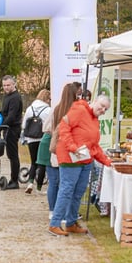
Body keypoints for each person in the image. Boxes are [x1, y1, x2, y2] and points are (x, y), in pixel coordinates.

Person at [48, 94, 112, 237]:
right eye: (101, 106)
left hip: (85, 160)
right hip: (70, 158)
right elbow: (64, 127)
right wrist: (72, 146)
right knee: (66, 190)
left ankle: (71, 222)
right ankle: (55, 223)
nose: (102, 110)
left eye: (105, 109)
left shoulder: (95, 120)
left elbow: (94, 146)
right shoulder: (79, 110)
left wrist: (107, 162)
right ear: (94, 101)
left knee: (78, 192)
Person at [46, 82, 82, 220]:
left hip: (57, 150)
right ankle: (67, 213)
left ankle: (54, 211)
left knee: (56, 183)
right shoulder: (75, 110)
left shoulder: (57, 109)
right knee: (68, 185)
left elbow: (47, 127)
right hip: (70, 150)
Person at [21, 89, 51, 194]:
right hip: (43, 138)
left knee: (33, 162)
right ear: (47, 98)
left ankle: (30, 183)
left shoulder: (30, 108)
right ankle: (39, 188)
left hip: (31, 138)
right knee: (42, 163)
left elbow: (24, 124)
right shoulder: (48, 110)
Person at [0, 75, 23, 189]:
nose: (6, 87)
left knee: (13, 155)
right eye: (4, 85)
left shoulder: (15, 97)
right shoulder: (6, 96)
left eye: (8, 85)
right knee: (10, 154)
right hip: (7, 128)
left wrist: (1, 126)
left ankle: (14, 180)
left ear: (14, 84)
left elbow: (12, 116)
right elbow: (4, 112)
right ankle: (13, 179)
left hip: (13, 128)